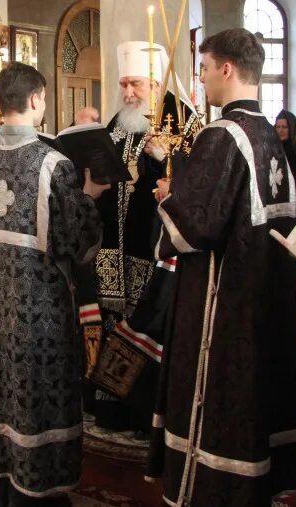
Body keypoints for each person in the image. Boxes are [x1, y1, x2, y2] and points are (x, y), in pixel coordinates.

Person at [147, 28, 296, 506]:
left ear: (227, 69)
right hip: (264, 301)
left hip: (221, 304)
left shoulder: (221, 135)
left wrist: (168, 198)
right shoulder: (272, 140)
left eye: (206, 68)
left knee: (213, 403)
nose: (204, 79)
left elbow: (192, 230)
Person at [0, 63, 107, 504]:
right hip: (39, 311)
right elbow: (76, 242)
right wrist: (91, 199)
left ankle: (1, 491)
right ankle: (38, 492)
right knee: (35, 396)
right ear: (34, 101)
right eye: (43, 98)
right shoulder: (54, 163)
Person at [87, 40, 198, 433]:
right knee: (112, 321)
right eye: (123, 84)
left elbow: (200, 187)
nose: (128, 93)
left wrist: (163, 160)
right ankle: (110, 406)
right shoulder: (119, 122)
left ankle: (146, 412)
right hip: (112, 249)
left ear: (155, 81)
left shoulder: (184, 120)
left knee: (150, 326)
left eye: (135, 84)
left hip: (155, 254)